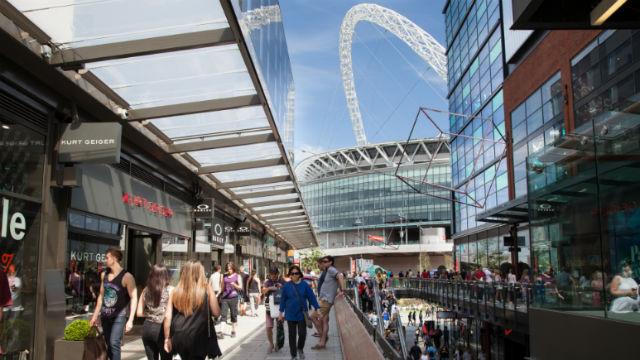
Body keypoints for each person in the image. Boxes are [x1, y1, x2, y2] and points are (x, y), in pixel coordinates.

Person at [163, 261, 221, 360]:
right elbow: (216, 312)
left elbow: (167, 317)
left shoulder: (175, 291)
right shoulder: (206, 289)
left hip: (179, 336)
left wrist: (167, 338)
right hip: (199, 337)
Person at [89, 247, 137, 360]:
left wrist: (130, 320)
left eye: (107, 257)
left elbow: (134, 297)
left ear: (114, 258)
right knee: (109, 344)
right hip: (105, 315)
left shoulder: (127, 277)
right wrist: (95, 316)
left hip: (119, 316)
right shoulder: (104, 275)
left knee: (114, 342)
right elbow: (101, 296)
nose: (105, 260)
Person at [278, 265, 320, 360]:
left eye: (296, 273)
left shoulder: (304, 285)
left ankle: (300, 348)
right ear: (290, 275)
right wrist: (281, 313)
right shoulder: (286, 286)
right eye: (292, 273)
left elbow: (311, 297)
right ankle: (293, 355)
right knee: (292, 335)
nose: (294, 275)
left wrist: (317, 308)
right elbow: (283, 300)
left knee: (302, 333)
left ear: (299, 274)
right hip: (290, 314)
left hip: (302, 313)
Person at [136, 265, 173, 360]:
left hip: (147, 327)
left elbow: (139, 313)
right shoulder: (171, 290)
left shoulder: (145, 290)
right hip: (162, 328)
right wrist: (167, 337)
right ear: (165, 275)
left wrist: (150, 314)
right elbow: (168, 316)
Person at [313, 256, 344, 350]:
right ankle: (322, 340)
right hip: (324, 299)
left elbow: (340, 276)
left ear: (330, 262)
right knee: (324, 320)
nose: (324, 263)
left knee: (313, 317)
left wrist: (342, 290)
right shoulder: (327, 271)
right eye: (323, 261)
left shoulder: (331, 269)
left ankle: (323, 338)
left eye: (325, 261)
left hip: (326, 300)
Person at [263, 267, 285, 353]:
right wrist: (269, 288)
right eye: (271, 275)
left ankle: (278, 344)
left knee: (279, 327)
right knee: (269, 327)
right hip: (269, 308)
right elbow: (263, 291)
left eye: (274, 275)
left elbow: (287, 290)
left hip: (280, 308)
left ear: (277, 274)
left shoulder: (282, 281)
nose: (273, 276)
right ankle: (271, 344)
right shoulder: (267, 282)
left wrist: (281, 287)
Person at [219, 262, 242, 337]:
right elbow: (222, 287)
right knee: (223, 315)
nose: (229, 270)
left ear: (233, 268)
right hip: (225, 298)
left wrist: (235, 285)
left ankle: (233, 330)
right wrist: (218, 294)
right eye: (228, 269)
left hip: (233, 298)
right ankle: (222, 332)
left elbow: (240, 287)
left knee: (233, 314)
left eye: (231, 269)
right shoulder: (224, 276)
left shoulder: (237, 276)